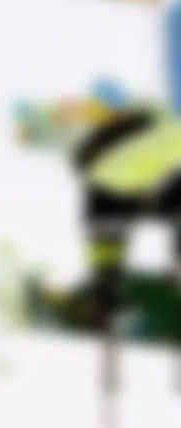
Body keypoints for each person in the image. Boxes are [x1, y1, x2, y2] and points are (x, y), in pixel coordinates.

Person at [72, 99, 181, 329]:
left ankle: (103, 299)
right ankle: (104, 298)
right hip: (132, 191)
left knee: (106, 238)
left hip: (124, 192)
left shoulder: (101, 175)